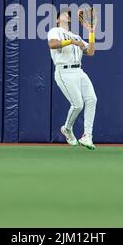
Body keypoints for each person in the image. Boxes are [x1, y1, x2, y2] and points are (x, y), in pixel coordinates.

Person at [47, 8, 97, 149]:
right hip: (64, 72)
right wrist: (72, 42)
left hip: (79, 71)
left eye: (69, 15)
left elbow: (91, 52)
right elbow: (52, 44)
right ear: (57, 19)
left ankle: (88, 136)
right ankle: (67, 129)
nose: (67, 15)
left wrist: (91, 33)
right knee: (78, 105)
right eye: (64, 13)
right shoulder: (54, 31)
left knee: (92, 99)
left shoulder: (76, 36)